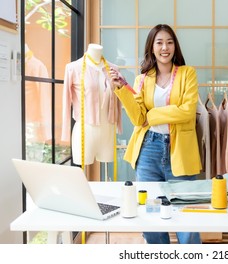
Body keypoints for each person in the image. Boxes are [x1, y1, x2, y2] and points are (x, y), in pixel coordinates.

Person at [110, 24, 202, 244]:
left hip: (179, 150)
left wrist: (151, 116)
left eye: (169, 42)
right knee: (151, 216)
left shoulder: (188, 74)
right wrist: (121, 90)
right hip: (148, 149)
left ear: (175, 46)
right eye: (159, 42)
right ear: (151, 47)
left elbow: (187, 111)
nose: (165, 47)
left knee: (185, 218)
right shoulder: (142, 79)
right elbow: (138, 118)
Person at [62, 44, 122, 171]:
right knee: (83, 178)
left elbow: (119, 101)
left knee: (107, 175)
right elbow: (66, 102)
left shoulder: (114, 69)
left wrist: (118, 126)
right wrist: (65, 133)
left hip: (108, 132)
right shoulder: (73, 68)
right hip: (85, 132)